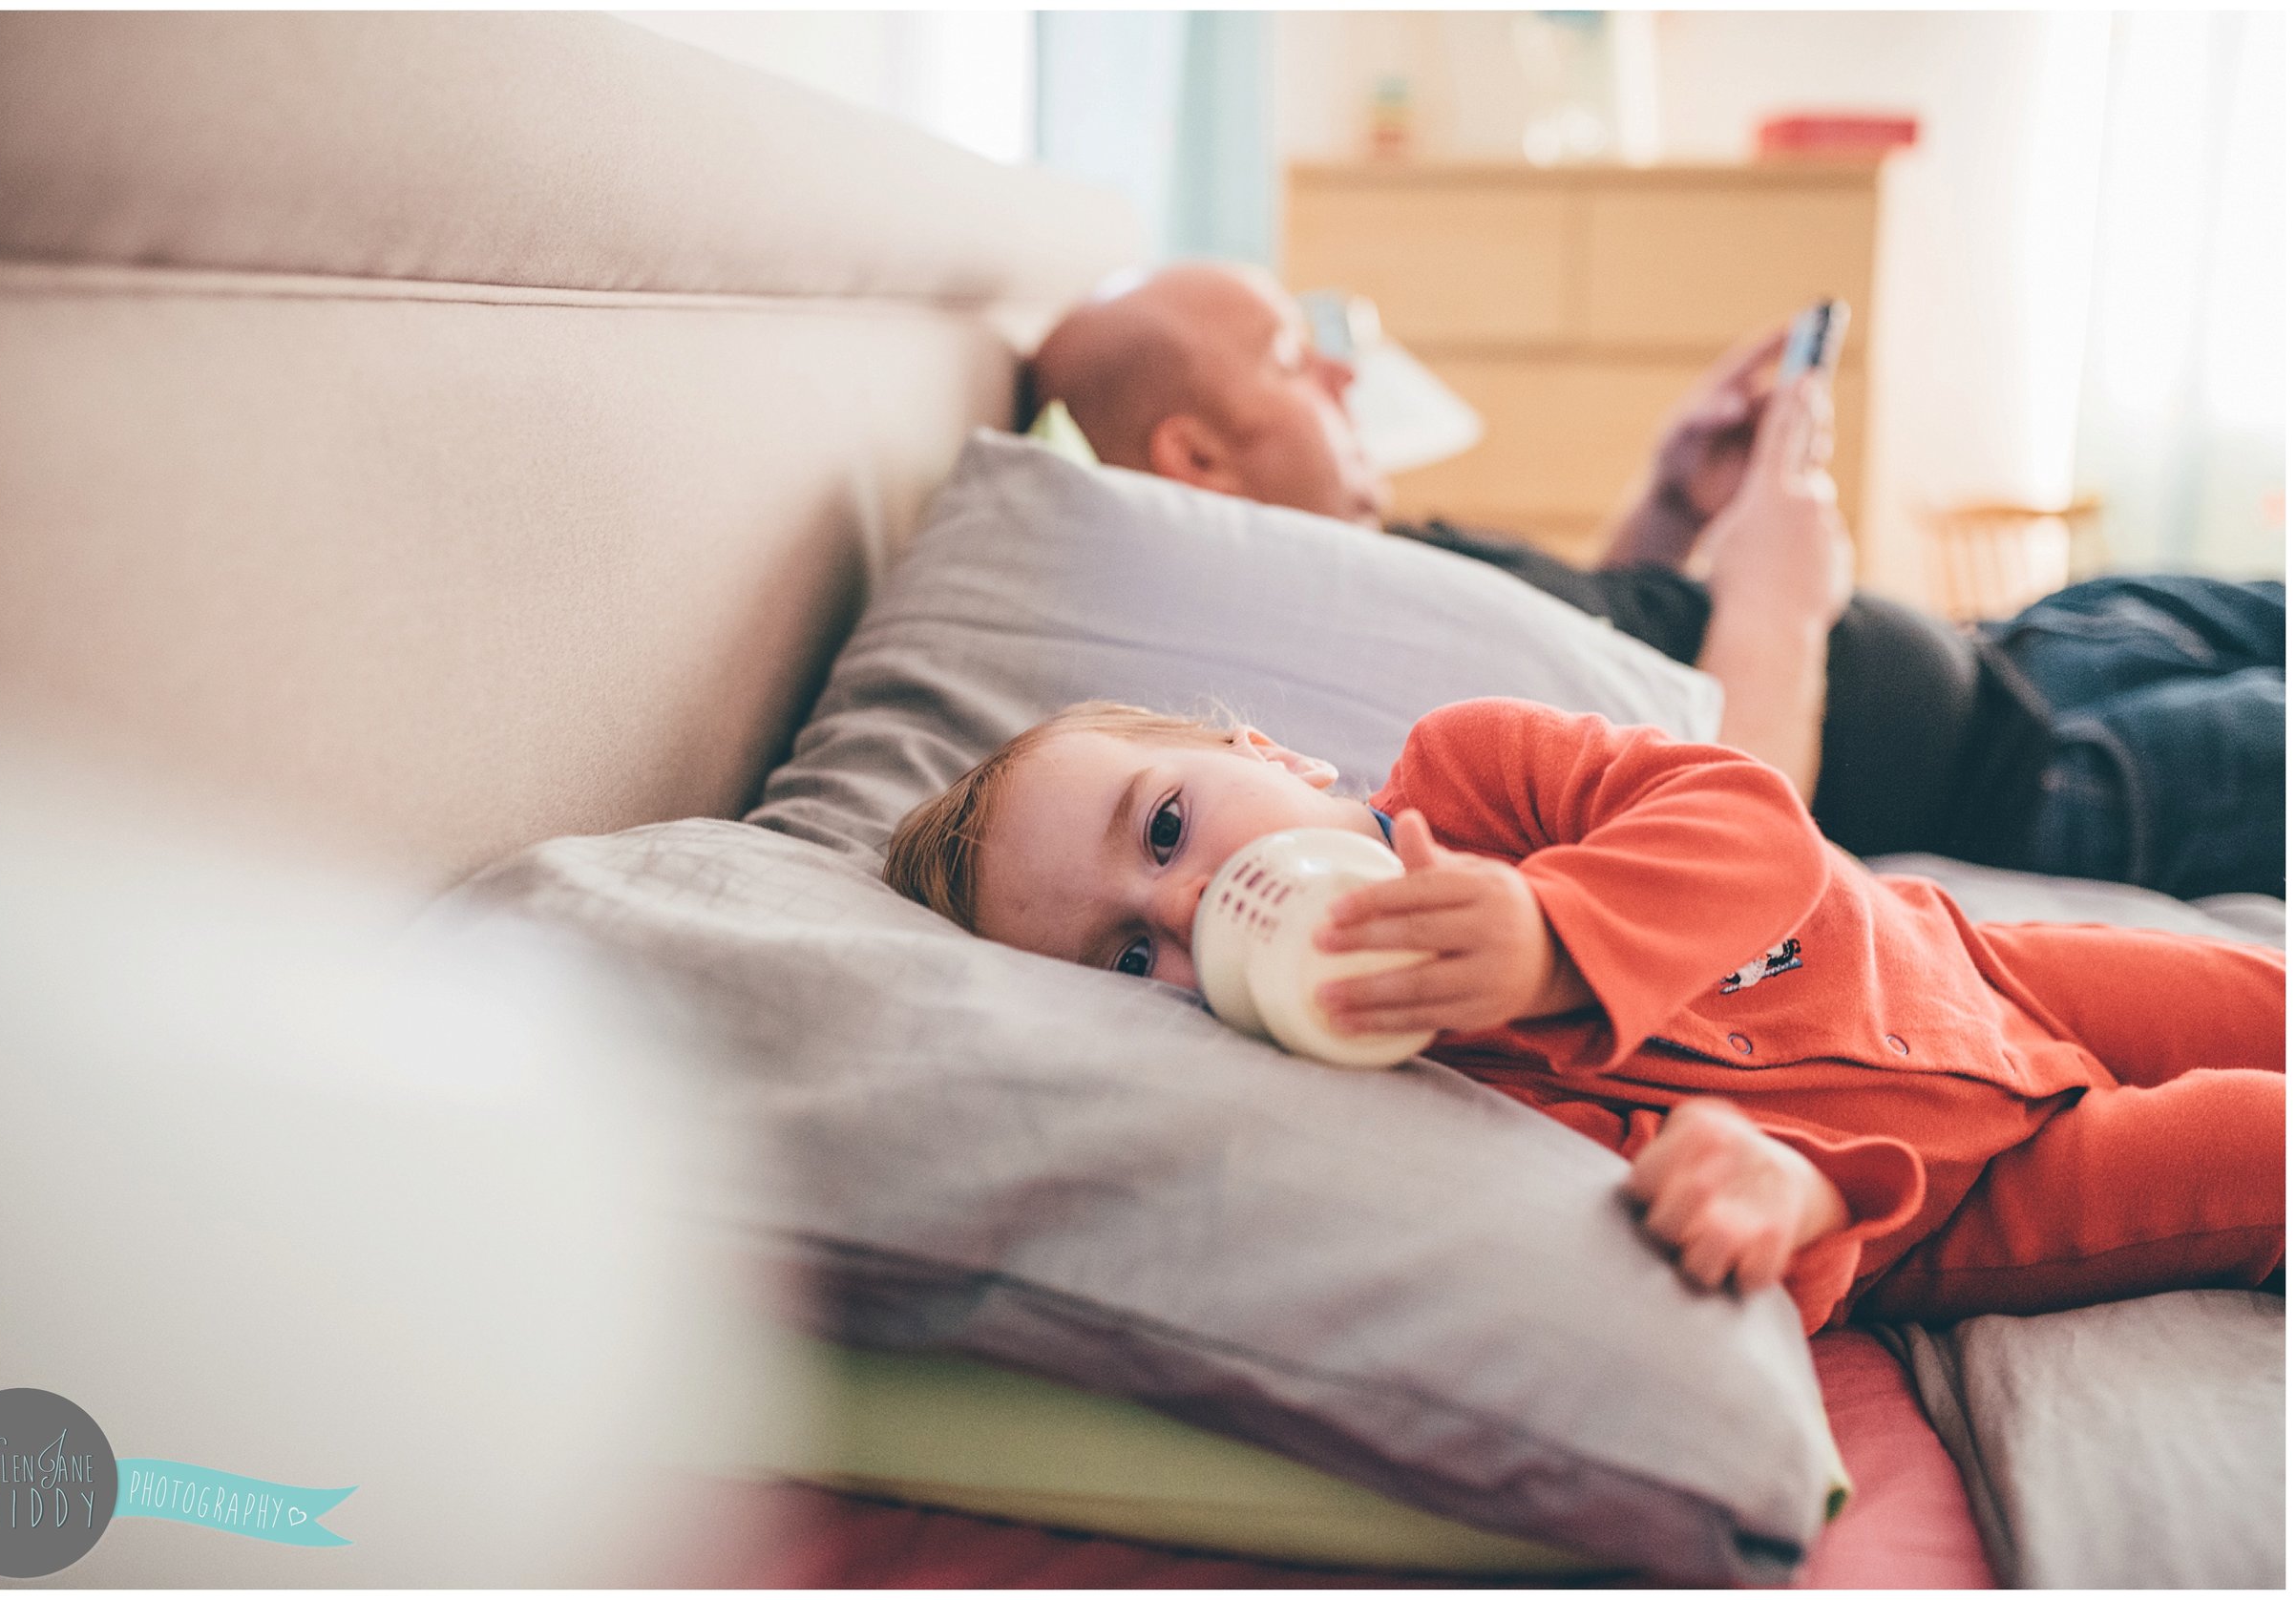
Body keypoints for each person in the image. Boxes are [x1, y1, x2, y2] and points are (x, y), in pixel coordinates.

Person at [881, 692, 2285, 1333]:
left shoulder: (1478, 772)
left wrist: (1556, 935)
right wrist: (1784, 1205)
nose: (1188, 914)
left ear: (1272, 749)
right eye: (1130, 962)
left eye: (1171, 826)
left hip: (1969, 962)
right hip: (1957, 1193)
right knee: (2260, 1145)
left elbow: (1747, 816)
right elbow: (1676, 1247)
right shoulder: (1392, 1102)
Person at [1027, 263, 2285, 901]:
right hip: (2039, 782)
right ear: (1197, 460)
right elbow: (1729, 805)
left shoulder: (1365, 565)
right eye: (1297, 360)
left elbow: (1598, 674)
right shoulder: (1298, 655)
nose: (1351, 380)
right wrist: (1777, 585)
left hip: (2031, 644)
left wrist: (1672, 508)